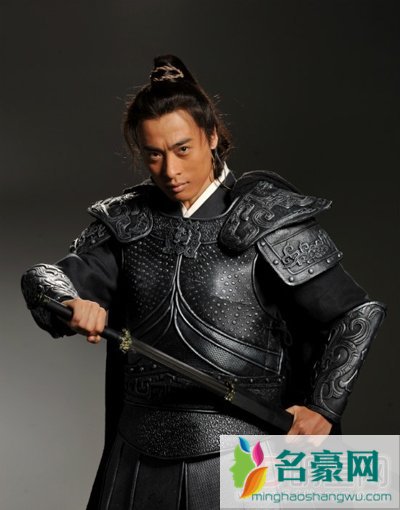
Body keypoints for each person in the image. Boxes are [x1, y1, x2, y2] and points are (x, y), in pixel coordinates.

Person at [21, 55, 386, 510]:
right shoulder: (129, 222)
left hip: (245, 454)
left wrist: (322, 408)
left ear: (211, 137)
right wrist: (67, 300)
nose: (169, 171)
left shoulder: (265, 217)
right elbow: (45, 277)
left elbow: (355, 313)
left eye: (182, 150)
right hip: (135, 456)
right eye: (154, 154)